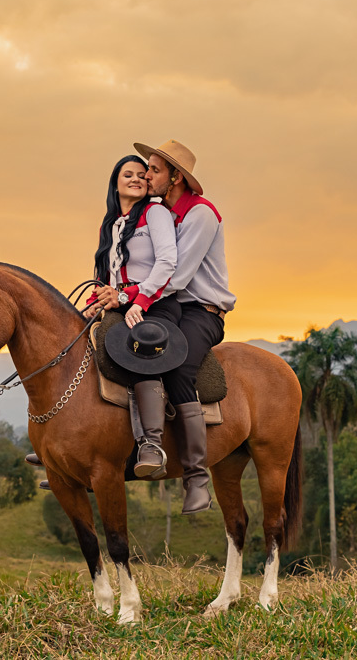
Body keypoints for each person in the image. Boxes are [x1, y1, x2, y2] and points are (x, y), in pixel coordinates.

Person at [29, 155, 180, 479]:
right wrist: (94, 303)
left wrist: (133, 296)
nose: (137, 179)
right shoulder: (109, 224)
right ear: (116, 182)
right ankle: (58, 437)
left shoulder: (155, 213)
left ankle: (151, 443)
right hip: (116, 301)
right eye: (129, 174)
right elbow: (105, 276)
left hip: (152, 301)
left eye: (143, 175)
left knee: (140, 349)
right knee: (66, 341)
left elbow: (167, 263)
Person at [129, 139, 236, 514]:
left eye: (155, 170)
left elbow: (175, 274)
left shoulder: (200, 214)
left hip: (201, 311)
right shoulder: (163, 214)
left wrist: (134, 297)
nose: (147, 174)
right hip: (170, 304)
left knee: (176, 366)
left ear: (176, 177)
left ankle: (196, 478)